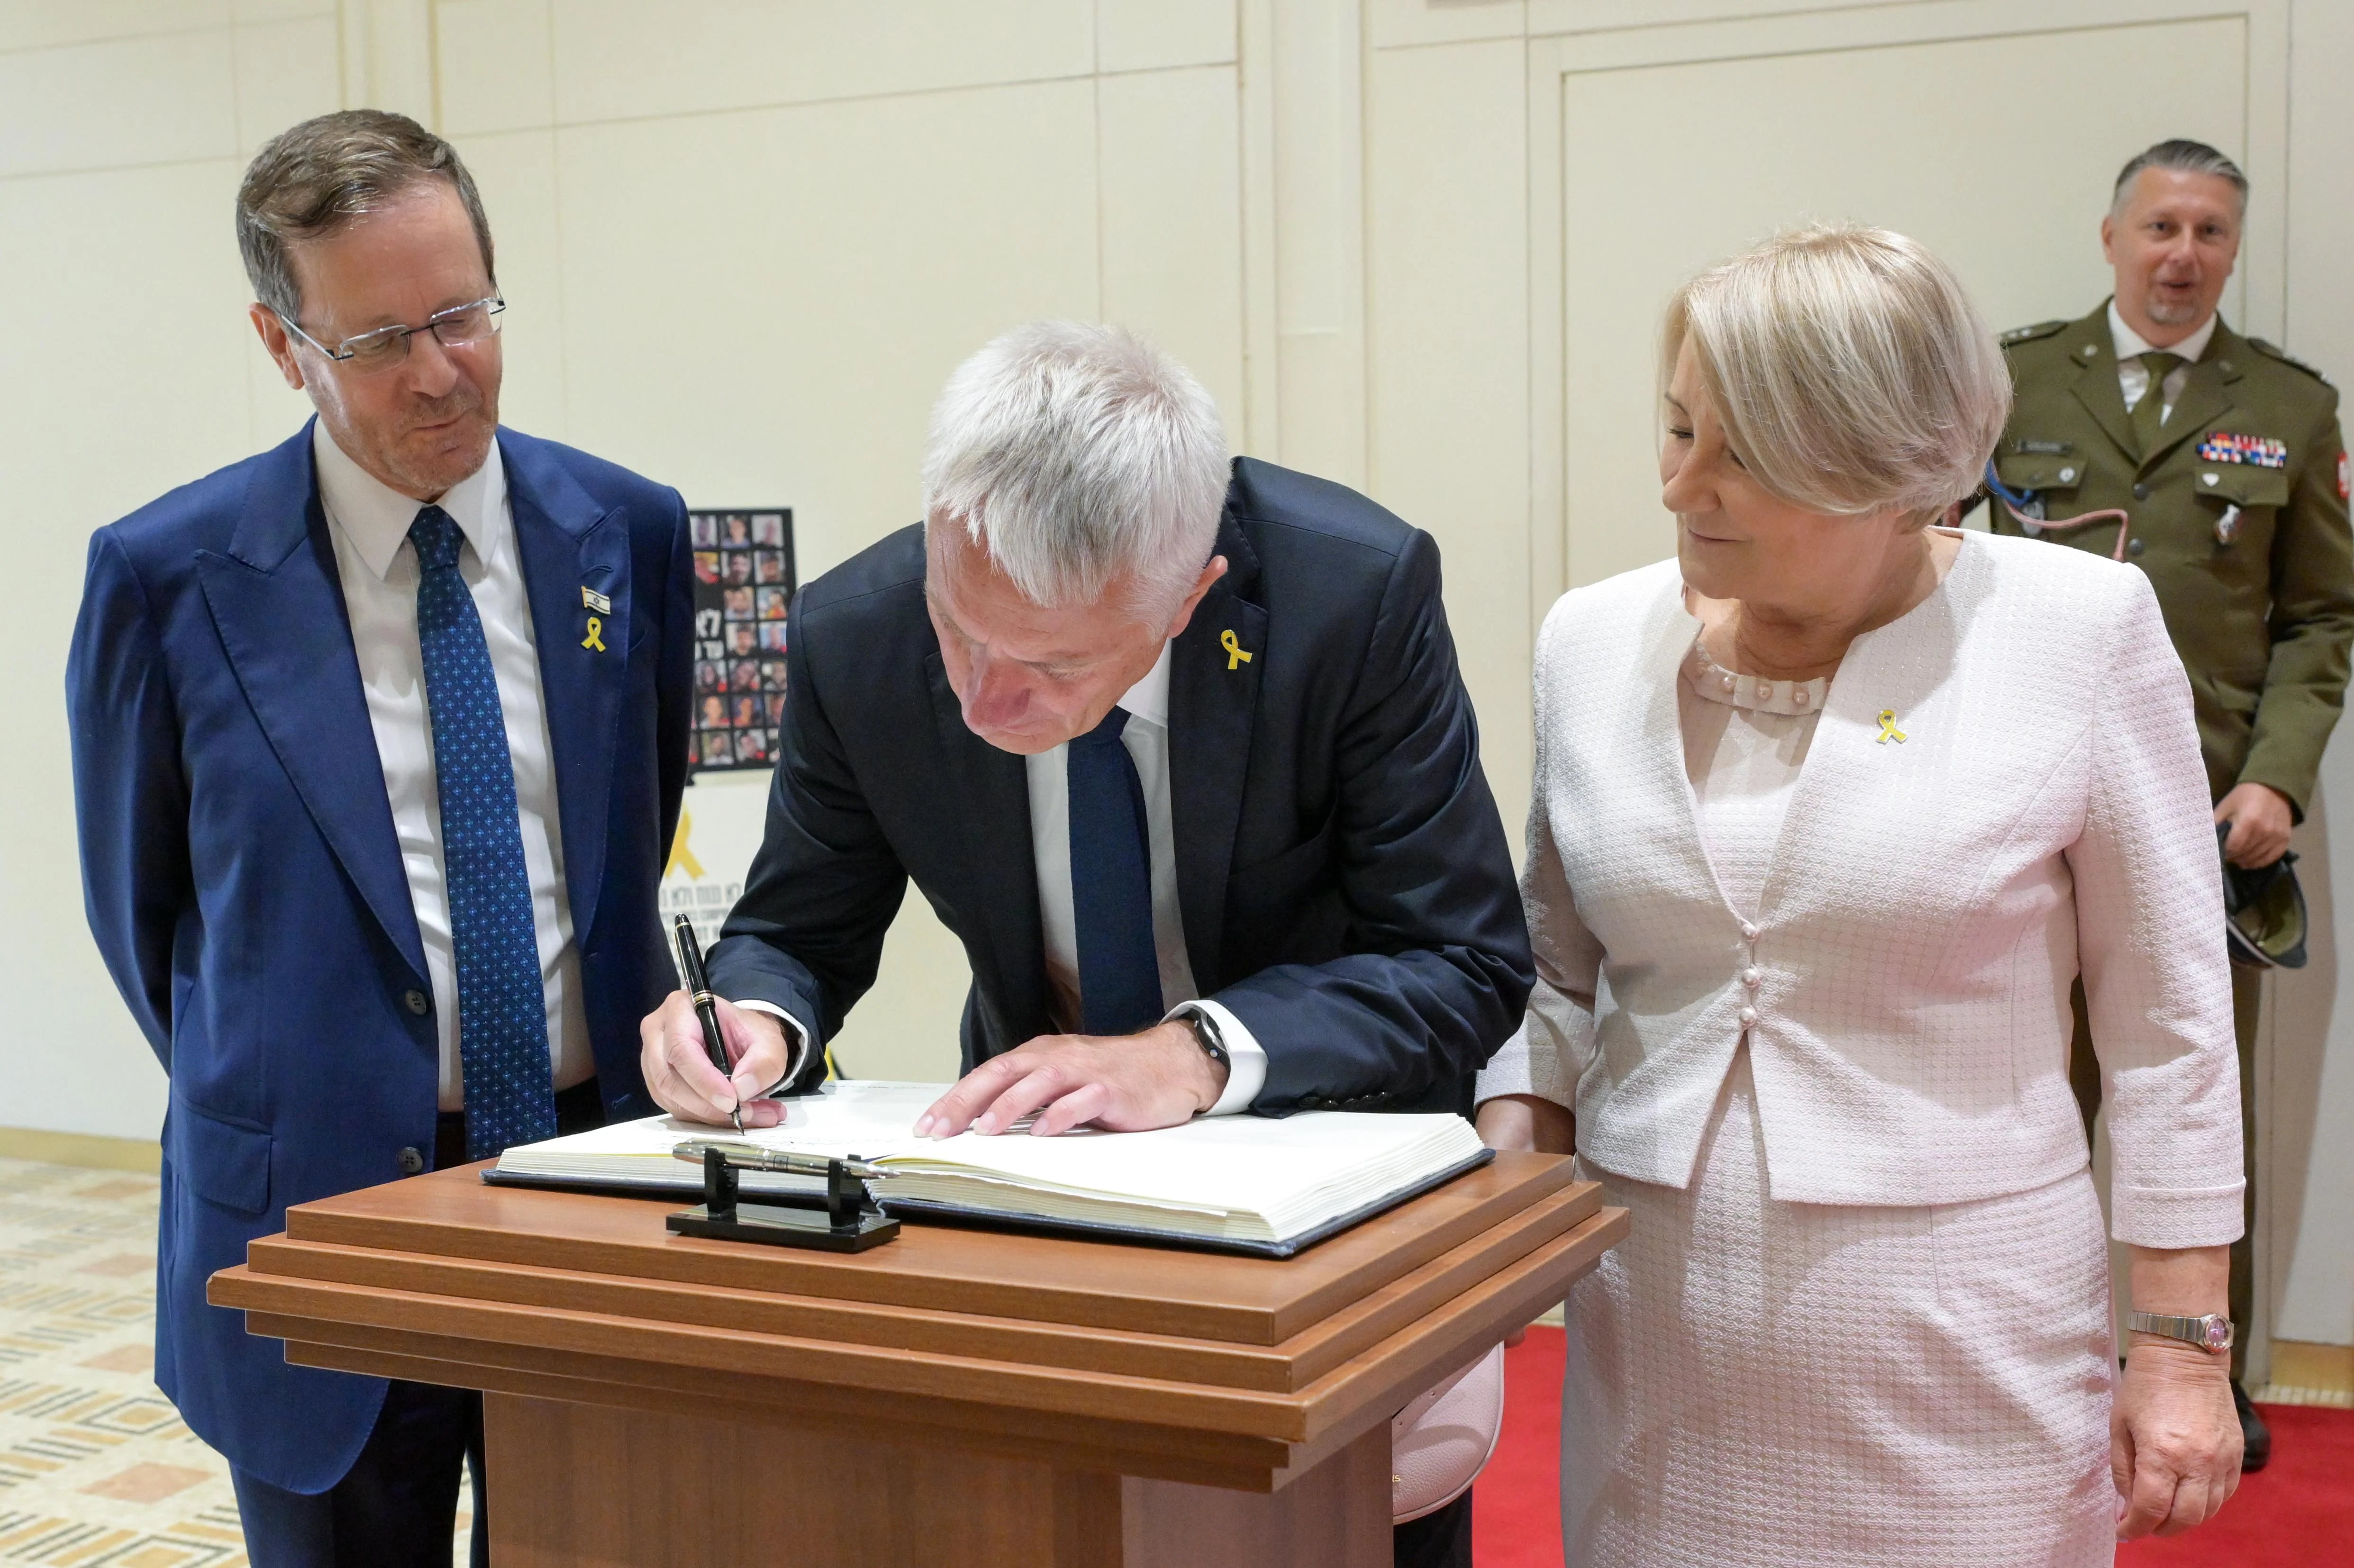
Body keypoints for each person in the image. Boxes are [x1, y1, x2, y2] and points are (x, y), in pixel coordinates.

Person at [637, 321, 1532, 1567]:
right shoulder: (860, 629)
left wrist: (1195, 1055)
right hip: (1044, 1212)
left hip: (1327, 1208)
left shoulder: (1350, 596)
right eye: (960, 628)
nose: (984, 702)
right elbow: (799, 924)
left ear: (1189, 594)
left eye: (1053, 663)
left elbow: (1462, 961)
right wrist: (749, 1020)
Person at [1477, 225, 2245, 1566]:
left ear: (1894, 470)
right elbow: (1551, 971)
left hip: (1958, 1336)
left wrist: (2180, 1346)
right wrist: (1494, 1202)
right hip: (1653, 1321)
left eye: (1741, 453)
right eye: (1674, 429)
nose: (1679, 486)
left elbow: (2167, 1020)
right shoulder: (1588, 641)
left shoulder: (2078, 634)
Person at [67, 110, 693, 1568]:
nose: (437, 371)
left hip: (591, 1188)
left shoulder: (626, 528)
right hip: (317, 1221)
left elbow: (627, 839)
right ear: (284, 344)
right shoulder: (168, 578)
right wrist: (304, 1077)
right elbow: (145, 913)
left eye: (463, 316)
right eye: (376, 340)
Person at [1984, 138, 2354, 1468]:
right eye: (2159, 226)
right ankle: (2027, 1362)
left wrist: (2278, 773)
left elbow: (2321, 616)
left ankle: (2206, 1379)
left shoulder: (2289, 409)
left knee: (2187, 1102)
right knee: (2018, 1097)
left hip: (2201, 823)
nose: (2180, 252)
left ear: (2230, 250)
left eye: (2207, 230)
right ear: (2110, 235)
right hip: (2018, 808)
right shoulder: (2015, 379)